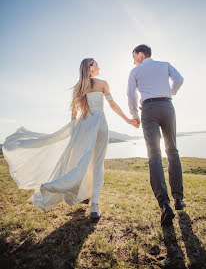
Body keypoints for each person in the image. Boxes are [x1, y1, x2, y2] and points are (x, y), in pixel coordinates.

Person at [3, 58, 137, 219]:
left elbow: (74, 114)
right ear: (90, 68)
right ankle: (94, 205)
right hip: (99, 125)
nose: (99, 66)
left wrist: (74, 130)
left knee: (81, 161)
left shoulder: (77, 88)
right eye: (96, 64)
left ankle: (82, 195)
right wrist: (128, 120)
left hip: (83, 126)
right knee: (97, 164)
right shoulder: (102, 84)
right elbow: (112, 105)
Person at [127, 44, 185, 227]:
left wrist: (134, 115)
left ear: (142, 54)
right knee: (173, 151)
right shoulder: (165, 64)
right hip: (167, 106)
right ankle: (178, 199)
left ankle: (164, 204)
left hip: (149, 109)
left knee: (154, 156)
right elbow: (179, 79)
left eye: (134, 55)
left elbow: (130, 95)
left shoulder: (135, 71)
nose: (133, 58)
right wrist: (170, 92)